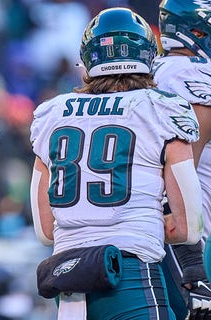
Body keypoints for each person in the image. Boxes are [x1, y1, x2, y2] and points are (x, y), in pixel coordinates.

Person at [30, 7, 203, 319]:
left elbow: (45, 230)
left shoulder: (51, 113)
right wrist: (138, 221)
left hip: (69, 278)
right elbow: (187, 227)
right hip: (130, 273)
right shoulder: (162, 109)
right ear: (148, 55)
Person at [153, 1, 211, 318]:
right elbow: (176, 178)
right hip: (185, 242)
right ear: (197, 31)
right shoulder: (197, 79)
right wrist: (191, 263)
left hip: (138, 236)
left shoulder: (145, 72)